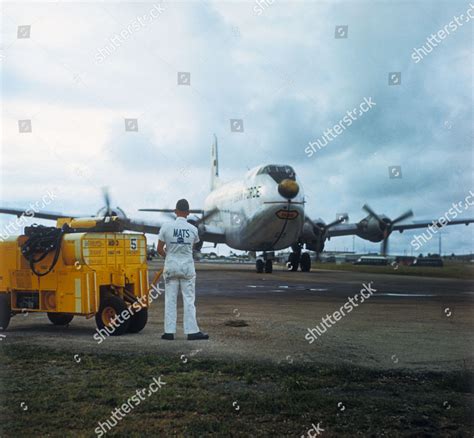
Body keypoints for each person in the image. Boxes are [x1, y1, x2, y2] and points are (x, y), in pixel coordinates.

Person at [157, 199, 208, 340]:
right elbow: (192, 247)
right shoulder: (193, 229)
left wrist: (170, 256)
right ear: (188, 212)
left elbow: (159, 249)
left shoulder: (166, 227)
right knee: (189, 300)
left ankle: (168, 332)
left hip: (171, 267)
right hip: (187, 268)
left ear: (175, 211)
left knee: (170, 300)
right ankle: (192, 332)